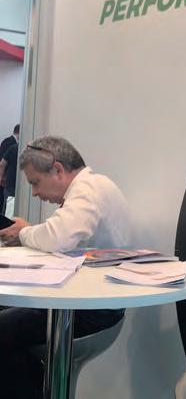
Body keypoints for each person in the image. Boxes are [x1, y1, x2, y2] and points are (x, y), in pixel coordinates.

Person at [0, 135, 132, 399]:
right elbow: (61, 237)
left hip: (91, 312)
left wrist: (23, 233)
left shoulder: (88, 189)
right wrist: (29, 232)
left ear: (58, 169)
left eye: (35, 182)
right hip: (85, 303)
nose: (34, 193)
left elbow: (57, 237)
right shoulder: (90, 189)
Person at [0, 124, 19, 209]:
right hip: (6, 180)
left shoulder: (9, 142)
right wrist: (2, 177)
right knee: (6, 206)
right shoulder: (9, 143)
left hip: (8, 180)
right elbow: (2, 161)